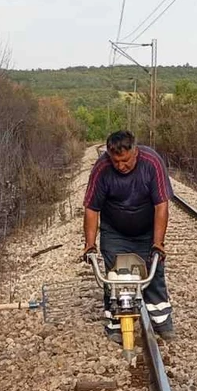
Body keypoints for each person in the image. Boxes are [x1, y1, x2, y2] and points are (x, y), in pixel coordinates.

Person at [82, 130, 175, 340]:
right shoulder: (102, 169)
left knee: (154, 274)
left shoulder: (152, 163)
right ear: (109, 155)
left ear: (135, 152)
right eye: (116, 161)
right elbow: (91, 208)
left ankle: (161, 321)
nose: (120, 166)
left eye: (125, 161)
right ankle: (115, 324)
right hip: (114, 231)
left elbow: (161, 205)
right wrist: (89, 244)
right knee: (114, 278)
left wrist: (158, 243)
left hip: (146, 230)